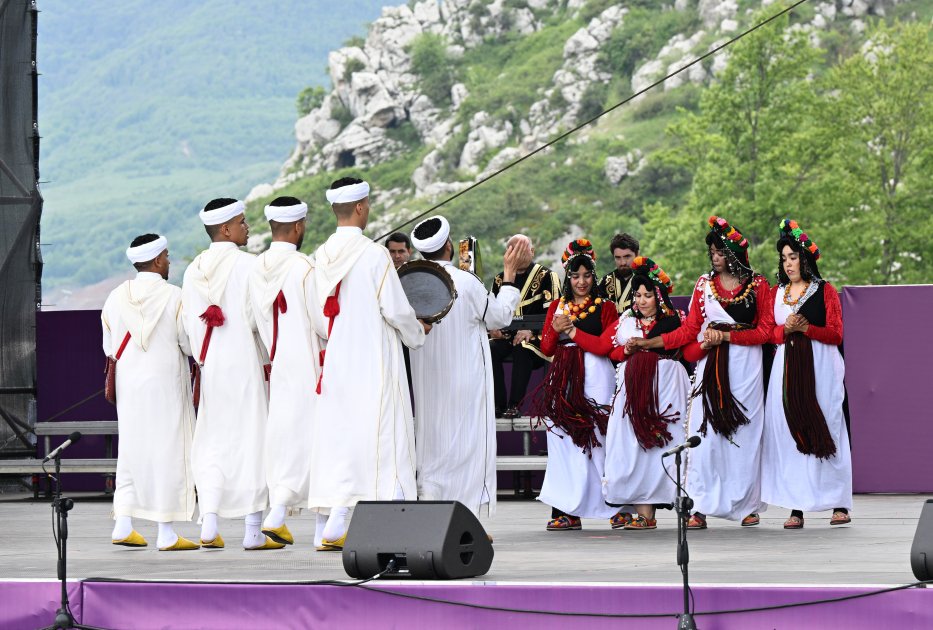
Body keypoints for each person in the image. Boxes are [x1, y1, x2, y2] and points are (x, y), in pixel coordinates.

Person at [307, 178, 428, 551]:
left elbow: (316, 319)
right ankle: (390, 522)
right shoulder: (374, 255)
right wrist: (417, 332)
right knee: (385, 437)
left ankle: (333, 521)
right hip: (375, 359)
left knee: (341, 439)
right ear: (360, 207)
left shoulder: (318, 257)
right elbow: (395, 309)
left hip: (338, 361)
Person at [632, 216, 773, 529]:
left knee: (743, 436)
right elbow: (688, 331)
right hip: (710, 370)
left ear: (734, 252)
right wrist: (651, 341)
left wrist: (726, 336)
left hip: (745, 370)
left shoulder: (759, 285)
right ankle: (699, 506)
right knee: (704, 436)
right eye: (711, 251)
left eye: (720, 251)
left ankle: (746, 505)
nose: (715, 256)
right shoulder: (703, 285)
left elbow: (765, 331)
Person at [407, 216, 527, 516]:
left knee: (430, 444)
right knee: (469, 444)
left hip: (426, 382)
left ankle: (432, 510)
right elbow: (499, 317)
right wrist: (510, 276)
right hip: (466, 380)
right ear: (449, 246)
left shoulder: (407, 283)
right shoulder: (465, 281)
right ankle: (466, 518)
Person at [182, 198, 280, 550]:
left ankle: (209, 522)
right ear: (226, 228)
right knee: (252, 441)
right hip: (244, 364)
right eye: (242, 221)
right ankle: (253, 531)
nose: (247, 227)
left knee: (212, 442)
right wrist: (273, 353)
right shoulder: (248, 265)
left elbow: (186, 324)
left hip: (210, 368)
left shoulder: (193, 269)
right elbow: (259, 318)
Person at [574, 257, 689, 530]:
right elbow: (611, 350)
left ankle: (686, 506)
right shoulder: (626, 318)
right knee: (634, 446)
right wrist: (627, 350)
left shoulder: (674, 320)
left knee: (669, 441)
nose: (641, 300)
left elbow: (683, 344)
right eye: (637, 295)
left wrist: (648, 346)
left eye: (648, 295)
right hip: (632, 390)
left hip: (667, 390)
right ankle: (645, 515)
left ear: (659, 295)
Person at [104, 235, 198, 551]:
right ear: (157, 260)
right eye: (167, 256)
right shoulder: (175, 296)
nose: (169, 261)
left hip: (129, 385)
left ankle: (123, 525)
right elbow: (187, 342)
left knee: (131, 452)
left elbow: (108, 346)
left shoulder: (116, 297)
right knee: (168, 452)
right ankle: (166, 533)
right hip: (166, 384)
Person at [248, 196, 328, 547]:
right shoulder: (304, 267)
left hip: (277, 363)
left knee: (286, 439)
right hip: (308, 363)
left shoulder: (255, 267)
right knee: (319, 441)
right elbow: (324, 322)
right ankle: (305, 523)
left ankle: (300, 520)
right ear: (298, 227)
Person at [762, 220, 852, 529]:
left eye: (793, 257)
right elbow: (767, 333)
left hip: (822, 369)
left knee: (829, 426)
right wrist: (782, 329)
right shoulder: (777, 293)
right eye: (784, 258)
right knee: (791, 432)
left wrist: (807, 329)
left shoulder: (825, 290)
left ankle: (838, 503)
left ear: (805, 258)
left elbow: (836, 334)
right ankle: (796, 506)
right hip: (787, 370)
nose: (788, 263)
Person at [528, 239, 618, 531]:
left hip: (596, 376)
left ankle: (615, 504)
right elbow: (547, 347)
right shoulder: (557, 305)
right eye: (575, 275)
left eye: (587, 275)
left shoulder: (606, 307)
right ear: (568, 276)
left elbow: (607, 346)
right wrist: (555, 330)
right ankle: (567, 509)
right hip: (564, 376)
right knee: (564, 440)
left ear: (594, 276)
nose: (581, 281)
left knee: (600, 436)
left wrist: (572, 330)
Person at [489, 235, 561, 418]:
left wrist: (531, 330)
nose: (518, 254)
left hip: (536, 338)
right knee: (489, 349)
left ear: (532, 252)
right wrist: (494, 328)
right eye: (513, 250)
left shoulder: (547, 276)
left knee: (523, 347)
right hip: (507, 337)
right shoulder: (500, 279)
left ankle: (515, 405)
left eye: (522, 250)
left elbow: (554, 314)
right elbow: (493, 312)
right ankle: (498, 405)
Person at [597, 233, 639, 313]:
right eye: (618, 258)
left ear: (637, 254)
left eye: (627, 257)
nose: (623, 262)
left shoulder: (646, 280)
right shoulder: (605, 282)